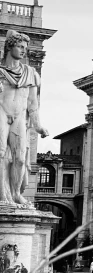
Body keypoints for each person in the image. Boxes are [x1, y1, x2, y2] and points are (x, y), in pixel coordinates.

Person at [0, 30, 49, 205]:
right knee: (1, 153)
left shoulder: (30, 73)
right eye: (20, 46)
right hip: (1, 112)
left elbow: (33, 104)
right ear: (9, 46)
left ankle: (15, 193)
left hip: (19, 116)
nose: (23, 51)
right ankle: (2, 195)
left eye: (25, 48)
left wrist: (38, 125)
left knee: (20, 158)